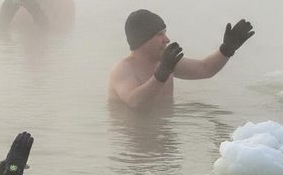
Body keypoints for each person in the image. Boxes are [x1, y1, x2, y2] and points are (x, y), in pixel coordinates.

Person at [108, 9, 255, 109]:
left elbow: (205, 69)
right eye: (160, 34)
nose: (167, 39)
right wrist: (161, 74)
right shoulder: (124, 69)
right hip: (133, 140)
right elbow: (134, 102)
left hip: (165, 133)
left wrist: (226, 49)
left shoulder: (165, 62)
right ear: (143, 39)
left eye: (165, 33)